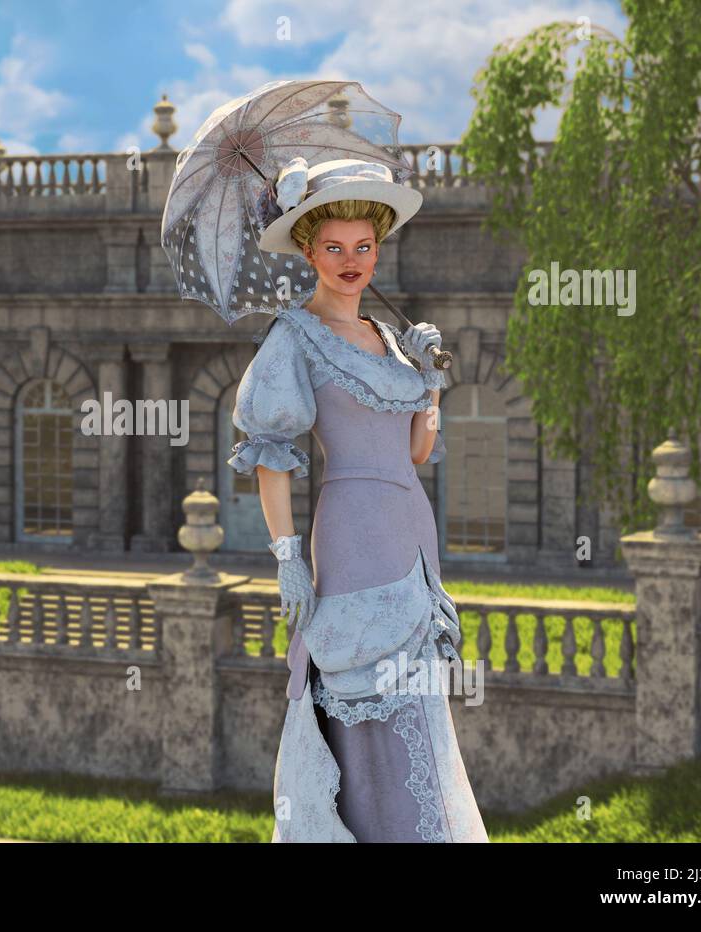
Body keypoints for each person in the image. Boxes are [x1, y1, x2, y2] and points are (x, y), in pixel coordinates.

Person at [229, 157, 488, 842]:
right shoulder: (294, 337)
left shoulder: (389, 340)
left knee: (419, 699)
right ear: (308, 251)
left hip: (412, 533)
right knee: (362, 691)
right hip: (350, 535)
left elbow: (416, 453)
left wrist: (429, 380)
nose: (351, 261)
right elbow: (271, 454)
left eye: (363, 247)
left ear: (378, 249)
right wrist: (287, 555)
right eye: (335, 248)